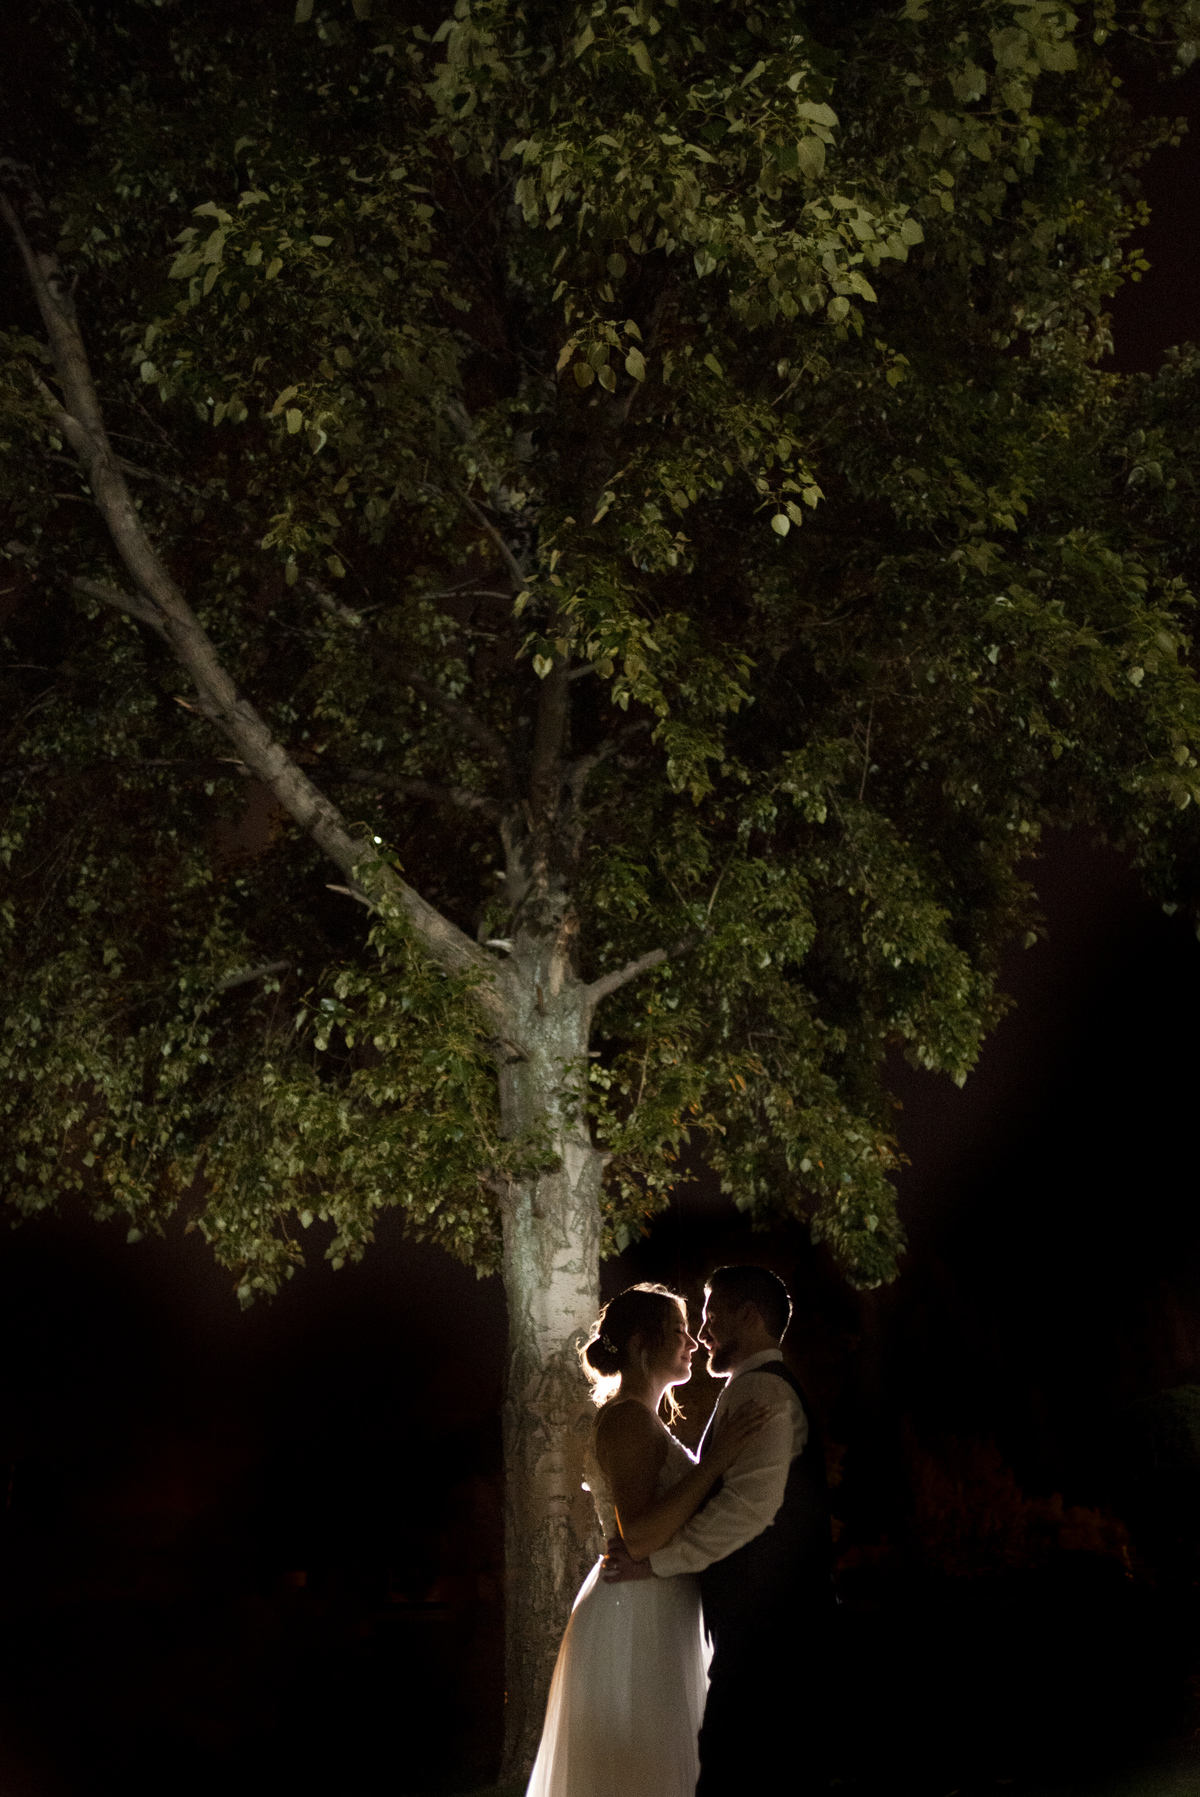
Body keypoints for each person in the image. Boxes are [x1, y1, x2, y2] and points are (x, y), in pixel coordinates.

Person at [525, 1282, 769, 1797]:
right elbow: (637, 1537)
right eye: (679, 1331)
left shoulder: (644, 1419)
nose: (694, 1342)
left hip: (656, 1601)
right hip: (633, 1611)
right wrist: (718, 1461)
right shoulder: (628, 1421)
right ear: (641, 1345)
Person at [603, 1265, 836, 1797]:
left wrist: (657, 1563)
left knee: (738, 1765)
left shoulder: (763, 1393)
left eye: (710, 1318)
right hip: (764, 1626)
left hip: (775, 1629)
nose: (702, 1334)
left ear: (748, 1317)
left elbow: (748, 1509)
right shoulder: (748, 1389)